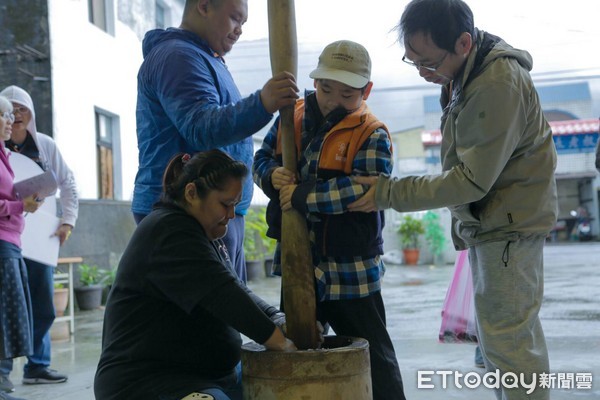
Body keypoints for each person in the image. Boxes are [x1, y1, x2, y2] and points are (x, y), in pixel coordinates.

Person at [349, 1, 557, 399]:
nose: (424, 73)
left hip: (509, 227)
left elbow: (470, 181)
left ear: (463, 43)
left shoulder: (496, 83)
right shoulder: (467, 72)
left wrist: (388, 192)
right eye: (413, 62)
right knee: (499, 342)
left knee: (510, 343)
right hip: (495, 224)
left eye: (428, 63)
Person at [253, 40, 405, 400]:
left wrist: (304, 196)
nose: (333, 99)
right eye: (325, 88)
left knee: (373, 355)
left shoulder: (372, 132)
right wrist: (270, 175)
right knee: (298, 349)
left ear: (365, 91)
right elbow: (260, 159)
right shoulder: (291, 116)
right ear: (316, 81)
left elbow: (362, 190)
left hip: (350, 267)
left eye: (347, 93)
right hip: (297, 257)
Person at [95, 150, 298, 400]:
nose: (231, 216)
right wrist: (282, 343)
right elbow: (225, 296)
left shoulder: (201, 232)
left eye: (235, 205)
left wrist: (277, 318)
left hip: (207, 376)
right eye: (225, 204)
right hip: (149, 381)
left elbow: (236, 288)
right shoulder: (169, 231)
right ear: (191, 193)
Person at [132, 0, 299, 283]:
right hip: (185, 214)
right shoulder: (177, 57)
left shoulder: (205, 58)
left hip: (214, 211)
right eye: (235, 18)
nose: (239, 31)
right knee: (207, 321)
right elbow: (201, 125)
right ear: (204, 5)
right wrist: (262, 103)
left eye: (243, 23)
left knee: (223, 317)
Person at [0, 86, 78, 390]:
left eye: (21, 110)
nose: (15, 116)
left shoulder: (44, 145)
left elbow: (68, 183)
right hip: (11, 235)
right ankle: (4, 371)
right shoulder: (3, 151)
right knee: (8, 305)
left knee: (44, 303)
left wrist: (67, 222)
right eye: (9, 111)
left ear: (31, 114)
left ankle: (38, 365)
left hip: (40, 237)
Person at [0, 95, 43, 400]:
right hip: (2, 243)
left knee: (11, 312)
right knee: (4, 313)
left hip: (11, 241)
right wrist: (19, 205)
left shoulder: (4, 153)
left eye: (10, 115)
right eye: (3, 115)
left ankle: (3, 380)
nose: (9, 121)